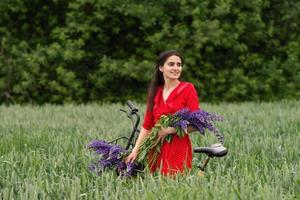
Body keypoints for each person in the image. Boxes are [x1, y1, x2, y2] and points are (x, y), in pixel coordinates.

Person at [126, 50, 200, 175]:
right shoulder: (156, 92)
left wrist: (170, 130)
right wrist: (136, 150)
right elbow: (147, 126)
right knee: (155, 185)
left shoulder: (188, 89)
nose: (176, 68)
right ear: (161, 67)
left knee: (175, 185)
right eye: (171, 64)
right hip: (155, 149)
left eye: (179, 64)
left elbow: (197, 124)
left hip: (178, 148)